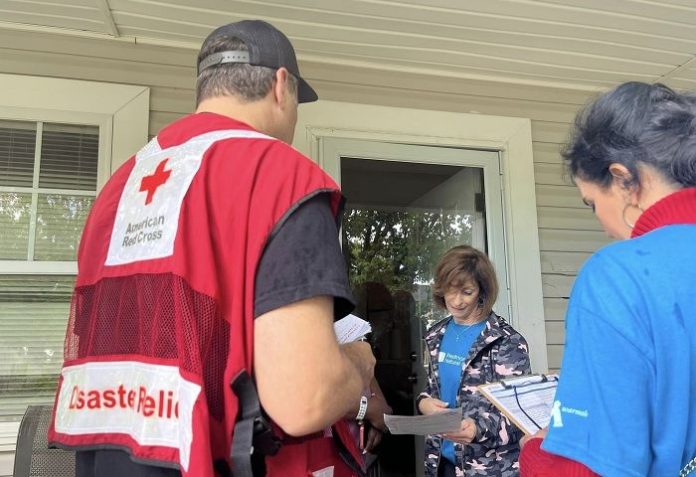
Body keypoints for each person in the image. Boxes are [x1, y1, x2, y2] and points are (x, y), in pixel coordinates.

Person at [47, 19, 376, 477]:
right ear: (282, 86)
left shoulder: (119, 188)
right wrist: (359, 364)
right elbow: (306, 399)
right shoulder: (281, 177)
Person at [519, 82, 696, 477]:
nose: (601, 222)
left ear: (623, 180)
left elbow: (590, 470)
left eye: (592, 204)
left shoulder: (619, 275)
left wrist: (535, 452)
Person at [417, 245, 531, 477]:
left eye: (467, 292)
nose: (456, 301)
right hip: (441, 463)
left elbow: (520, 416)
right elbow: (433, 388)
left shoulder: (506, 341)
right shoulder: (435, 335)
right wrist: (424, 404)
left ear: (482, 291)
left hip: (488, 469)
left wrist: (478, 428)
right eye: (450, 291)